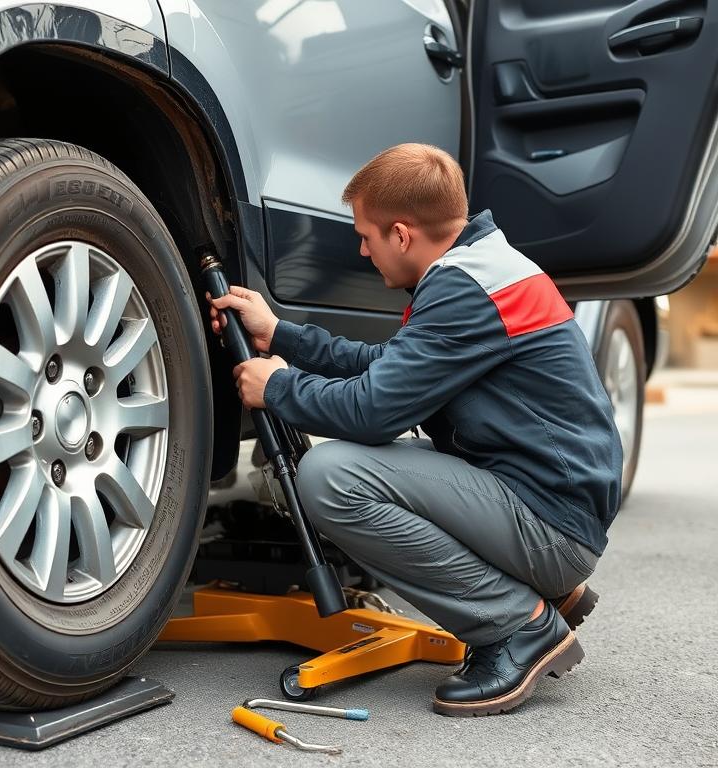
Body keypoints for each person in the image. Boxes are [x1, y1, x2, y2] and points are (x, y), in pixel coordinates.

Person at [208, 143, 622, 717]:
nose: (361, 249)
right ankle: (539, 590)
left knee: (333, 477)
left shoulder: (464, 289)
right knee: (363, 462)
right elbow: (389, 369)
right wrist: (279, 334)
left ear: (401, 234)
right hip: (551, 500)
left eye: (366, 236)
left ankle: (519, 626)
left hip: (551, 523)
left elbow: (375, 409)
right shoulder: (480, 269)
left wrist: (278, 388)